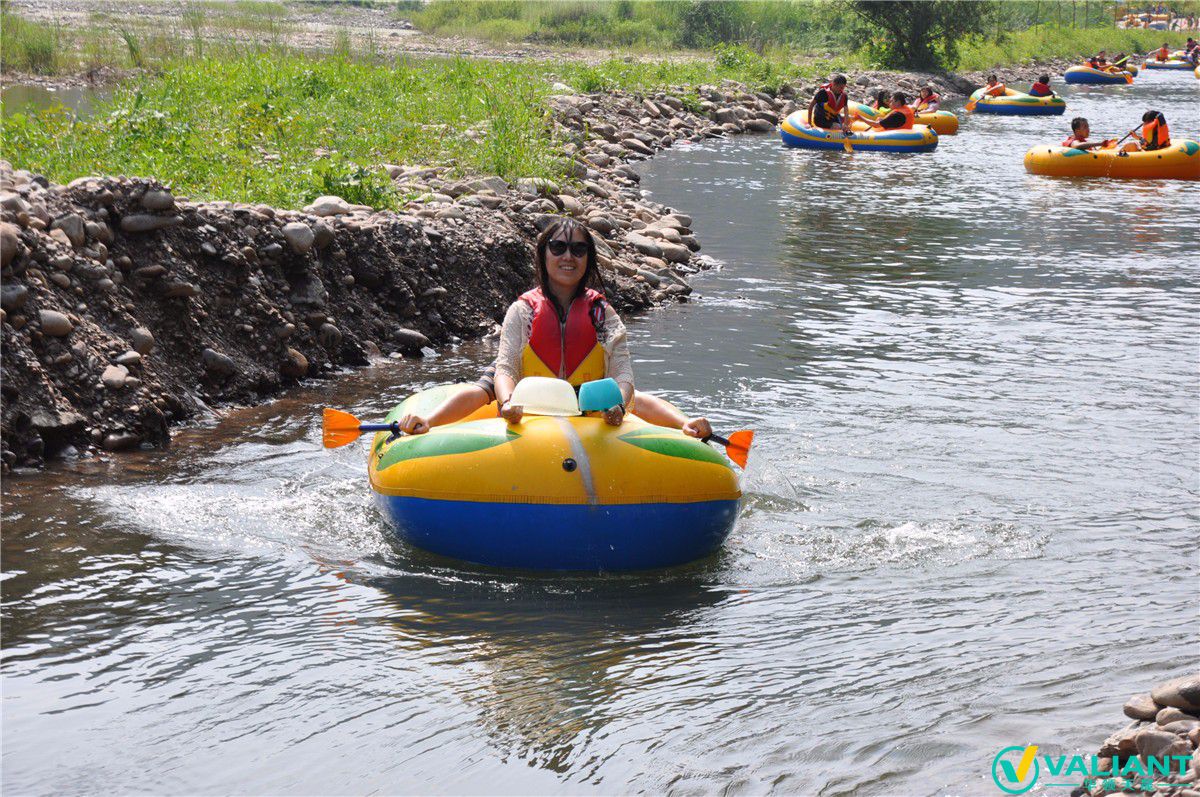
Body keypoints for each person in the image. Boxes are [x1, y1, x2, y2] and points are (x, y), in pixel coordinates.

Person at [398, 218, 712, 440]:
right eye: (559, 247)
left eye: (578, 250)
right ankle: (428, 420)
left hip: (586, 399)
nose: (568, 256)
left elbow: (623, 374)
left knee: (635, 399)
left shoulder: (601, 313)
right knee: (484, 389)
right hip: (526, 397)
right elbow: (506, 369)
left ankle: (685, 424)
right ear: (544, 254)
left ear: (588, 259)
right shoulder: (523, 310)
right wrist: (508, 403)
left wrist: (617, 404)